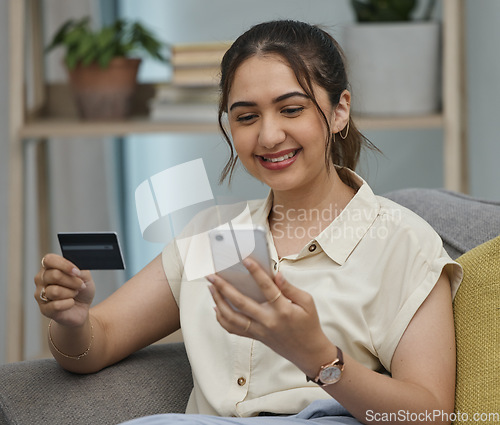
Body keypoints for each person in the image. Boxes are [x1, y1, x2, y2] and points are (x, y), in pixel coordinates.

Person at [34, 20, 462, 425]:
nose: (269, 136)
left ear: (339, 111)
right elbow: (95, 345)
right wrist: (72, 321)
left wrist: (320, 358)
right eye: (246, 116)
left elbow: (431, 414)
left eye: (291, 109)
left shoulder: (403, 242)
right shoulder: (210, 235)